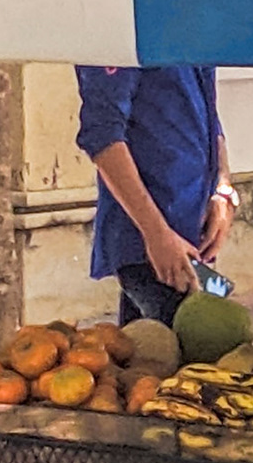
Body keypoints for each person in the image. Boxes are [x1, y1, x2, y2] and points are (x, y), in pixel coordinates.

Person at [76, 64, 237, 326]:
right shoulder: (123, 36)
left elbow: (210, 115)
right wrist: (157, 235)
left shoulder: (190, 31)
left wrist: (223, 189)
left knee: (148, 355)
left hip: (194, 234)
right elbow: (102, 136)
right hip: (146, 240)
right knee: (200, 344)